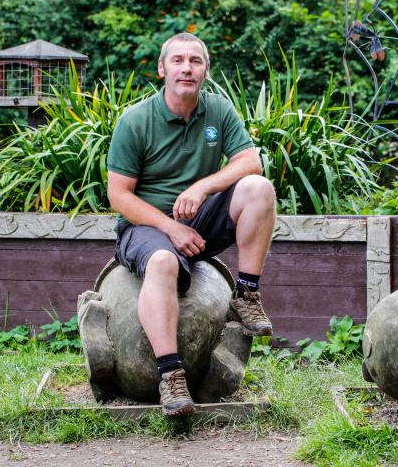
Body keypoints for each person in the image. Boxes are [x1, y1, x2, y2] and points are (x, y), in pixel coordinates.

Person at [106, 32, 277, 416]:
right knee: (164, 263)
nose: (187, 68)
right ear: (162, 68)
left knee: (258, 189)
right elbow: (119, 197)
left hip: (196, 218)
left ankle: (246, 295)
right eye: (179, 60)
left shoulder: (216, 109)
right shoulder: (135, 122)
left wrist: (201, 187)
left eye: (195, 61)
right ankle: (171, 377)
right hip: (145, 226)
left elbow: (250, 162)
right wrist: (171, 229)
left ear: (205, 70)